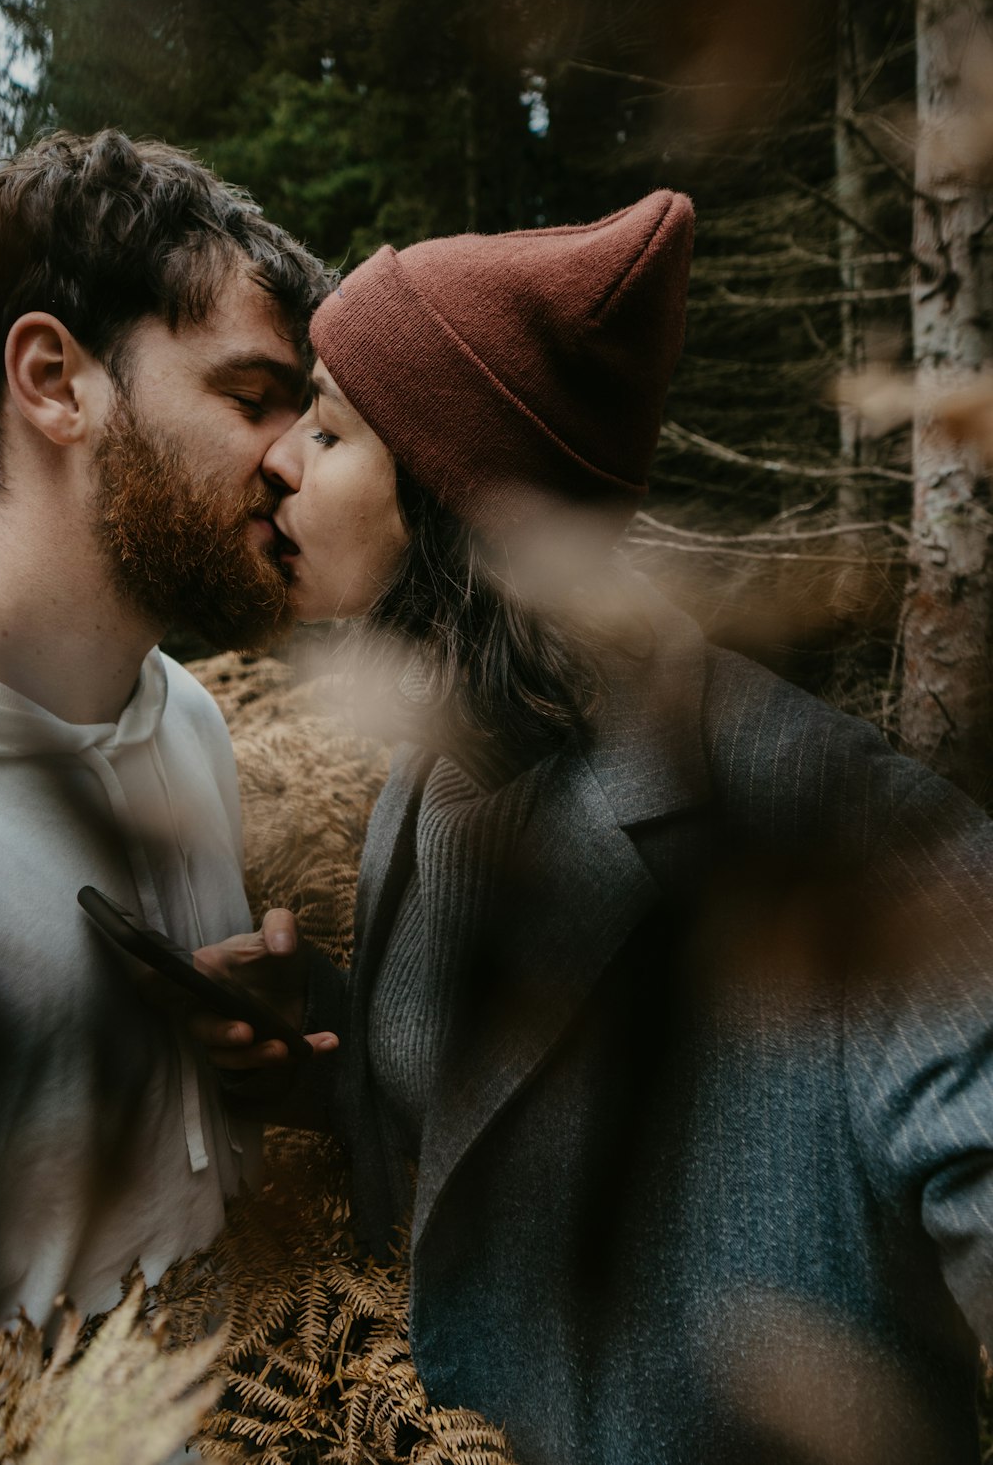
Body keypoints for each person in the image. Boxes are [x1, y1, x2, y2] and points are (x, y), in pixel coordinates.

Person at [219, 193, 993, 1463]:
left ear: (460, 495)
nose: (281, 458)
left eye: (331, 425)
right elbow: (479, 1132)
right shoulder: (433, 785)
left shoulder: (858, 838)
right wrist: (327, 1044)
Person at [0, 129, 337, 1403]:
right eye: (253, 398)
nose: (298, 461)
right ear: (55, 379)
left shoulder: (190, 725)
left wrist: (235, 1066)